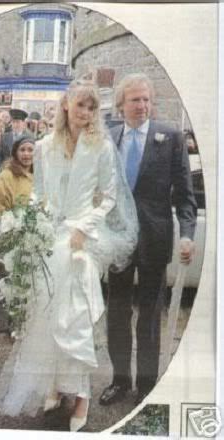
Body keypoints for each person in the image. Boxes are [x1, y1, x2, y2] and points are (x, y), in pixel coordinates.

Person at [0, 79, 138, 431]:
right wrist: (34, 227)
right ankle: (55, 386)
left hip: (83, 239)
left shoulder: (100, 146)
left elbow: (108, 197)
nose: (85, 113)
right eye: (80, 105)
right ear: (67, 105)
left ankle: (82, 397)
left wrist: (83, 229)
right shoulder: (43, 146)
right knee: (45, 314)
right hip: (51, 235)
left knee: (76, 317)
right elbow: (41, 194)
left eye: (91, 107)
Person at [99, 73, 197, 407]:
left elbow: (185, 195)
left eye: (146, 100)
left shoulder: (169, 137)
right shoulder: (108, 138)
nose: (142, 106)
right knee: (117, 312)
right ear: (120, 105)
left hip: (155, 239)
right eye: (134, 100)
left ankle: (146, 385)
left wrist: (187, 235)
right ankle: (119, 380)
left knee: (151, 314)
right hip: (117, 240)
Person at [0, 135, 34, 218]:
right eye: (22, 150)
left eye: (30, 150)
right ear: (16, 153)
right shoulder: (6, 176)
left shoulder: (40, 177)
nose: (26, 153)